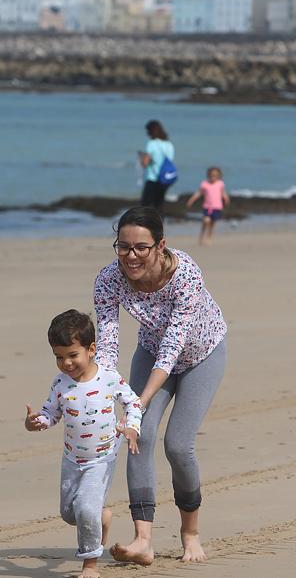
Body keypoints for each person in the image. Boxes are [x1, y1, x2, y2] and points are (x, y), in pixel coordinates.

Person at [94, 207, 227, 566]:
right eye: (123, 247)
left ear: (160, 245)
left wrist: (139, 400)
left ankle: (190, 533)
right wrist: (103, 394)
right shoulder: (109, 280)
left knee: (178, 445)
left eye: (141, 247)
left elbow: (174, 345)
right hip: (151, 353)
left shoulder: (185, 273)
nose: (131, 256)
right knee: (139, 436)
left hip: (202, 355)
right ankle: (143, 540)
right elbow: (107, 345)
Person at [25, 309, 144, 578]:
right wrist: (36, 422)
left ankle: (90, 564)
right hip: (71, 459)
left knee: (85, 508)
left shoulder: (109, 378)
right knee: (70, 513)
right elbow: (51, 414)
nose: (66, 363)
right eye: (59, 357)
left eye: (72, 355)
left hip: (101, 459)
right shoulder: (60, 383)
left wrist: (132, 427)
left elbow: (133, 403)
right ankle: (102, 518)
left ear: (91, 349)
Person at [185, 167, 230, 245]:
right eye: (211, 175)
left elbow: (223, 193)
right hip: (207, 207)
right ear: (208, 175)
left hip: (217, 207)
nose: (213, 177)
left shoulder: (220, 184)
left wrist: (226, 199)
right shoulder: (204, 184)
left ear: (218, 176)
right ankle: (201, 236)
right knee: (206, 220)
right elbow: (198, 193)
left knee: (212, 223)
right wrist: (191, 200)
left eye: (215, 176)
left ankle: (209, 237)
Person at [138, 120, 175, 209]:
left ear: (151, 132)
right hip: (165, 178)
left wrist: (142, 157)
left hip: (153, 178)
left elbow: (145, 163)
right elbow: (169, 160)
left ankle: (146, 223)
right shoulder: (169, 145)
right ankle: (160, 222)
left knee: (145, 206)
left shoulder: (151, 144)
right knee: (159, 204)